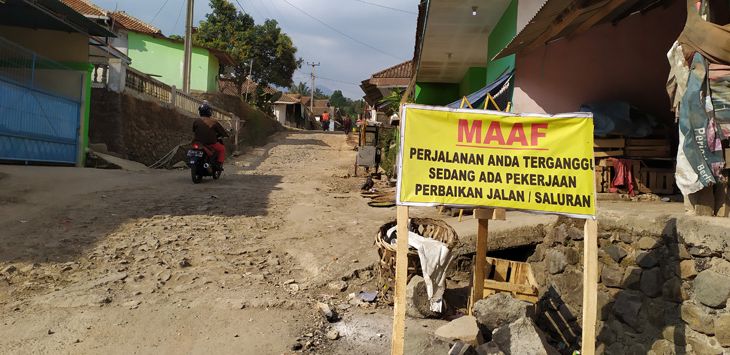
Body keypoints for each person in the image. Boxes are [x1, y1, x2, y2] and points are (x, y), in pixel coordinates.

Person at [193, 101, 229, 166]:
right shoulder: (213, 121)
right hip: (210, 144)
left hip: (198, 143)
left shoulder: (196, 121)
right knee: (222, 149)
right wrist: (226, 135)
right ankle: (218, 164)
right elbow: (222, 132)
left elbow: (194, 130)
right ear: (209, 112)